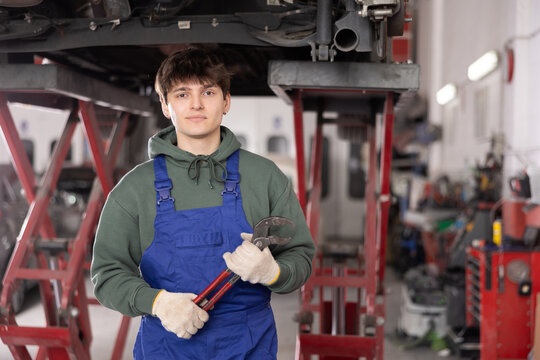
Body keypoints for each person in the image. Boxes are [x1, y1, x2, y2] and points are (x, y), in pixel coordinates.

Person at [91, 47, 315, 359]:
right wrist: (159, 303)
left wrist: (273, 272)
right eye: (182, 94)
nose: (196, 104)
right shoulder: (134, 189)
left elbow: (301, 257)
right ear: (166, 106)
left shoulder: (264, 177)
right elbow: (107, 273)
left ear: (226, 101)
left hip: (250, 346)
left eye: (208, 92)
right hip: (167, 347)